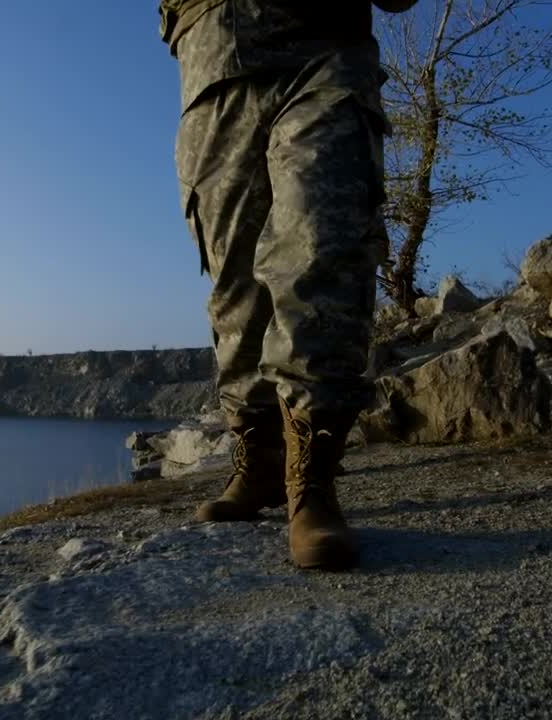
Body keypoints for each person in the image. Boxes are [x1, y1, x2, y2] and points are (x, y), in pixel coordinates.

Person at [160, 0, 416, 570]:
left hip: (323, 52)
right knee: (235, 284)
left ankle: (313, 483)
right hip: (212, 63)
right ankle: (261, 459)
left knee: (318, 249)